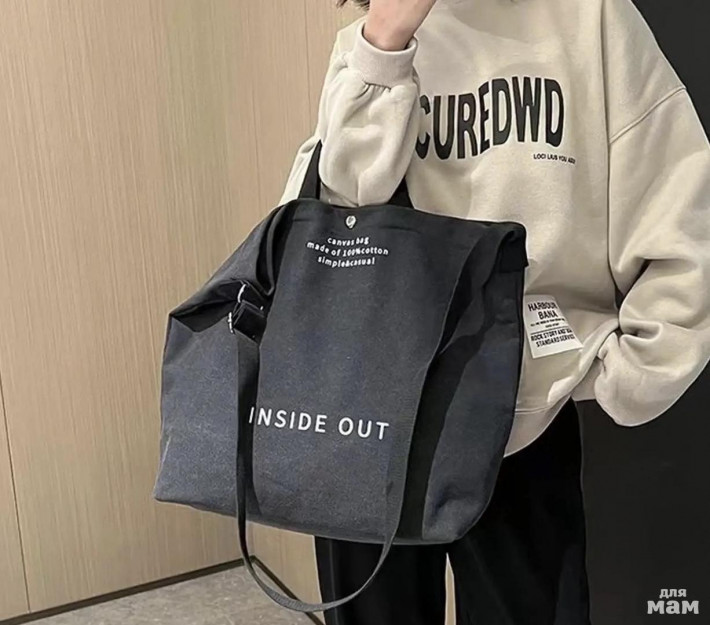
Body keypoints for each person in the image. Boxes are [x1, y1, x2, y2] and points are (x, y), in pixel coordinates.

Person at [277, 0, 710, 623]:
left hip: (519, 413)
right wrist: (386, 41)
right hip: (364, 417)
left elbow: (680, 201)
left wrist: (637, 368)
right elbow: (337, 219)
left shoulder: (590, 18)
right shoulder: (370, 39)